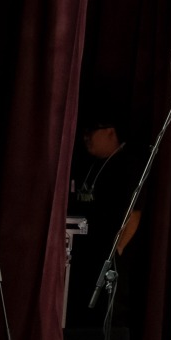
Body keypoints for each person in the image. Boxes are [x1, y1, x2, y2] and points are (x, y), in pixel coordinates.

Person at [68, 110, 142, 327]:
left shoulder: (127, 164)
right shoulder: (86, 162)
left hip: (109, 255)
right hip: (81, 252)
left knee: (108, 313)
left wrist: (118, 248)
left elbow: (135, 213)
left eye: (91, 131)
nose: (86, 137)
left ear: (110, 132)